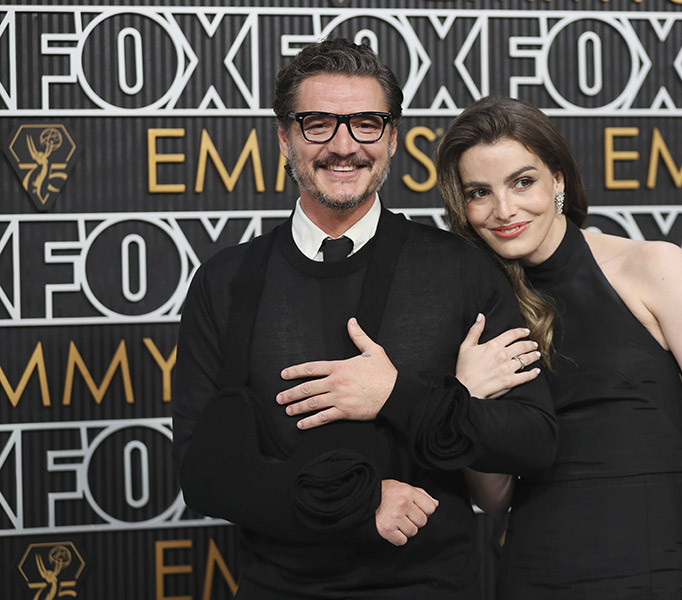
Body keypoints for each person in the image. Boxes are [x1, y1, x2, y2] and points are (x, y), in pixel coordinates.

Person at [172, 42, 556, 600]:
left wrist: (398, 396)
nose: (344, 146)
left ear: (393, 138)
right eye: (318, 124)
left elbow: (535, 441)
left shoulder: (459, 268)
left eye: (366, 124)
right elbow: (202, 473)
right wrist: (359, 503)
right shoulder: (225, 281)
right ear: (284, 138)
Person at [434, 96, 682, 599]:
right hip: (532, 576)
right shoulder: (476, 311)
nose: (504, 210)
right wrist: (467, 403)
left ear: (559, 181)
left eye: (522, 182)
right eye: (480, 192)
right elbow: (496, 497)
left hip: (655, 571)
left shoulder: (652, 267)